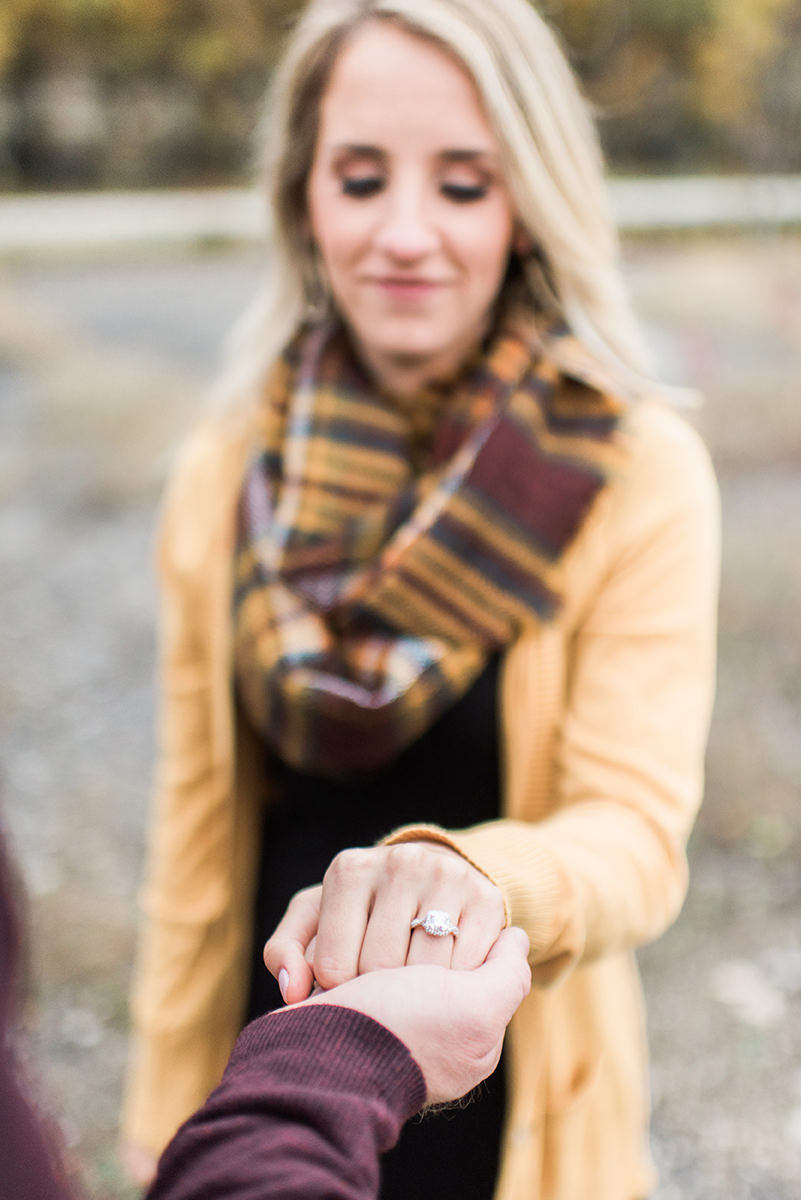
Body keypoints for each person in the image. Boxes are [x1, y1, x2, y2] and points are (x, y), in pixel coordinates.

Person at [121, 1, 720, 1197]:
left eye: (462, 185)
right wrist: (161, 1115)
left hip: (511, 1097)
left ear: (531, 200)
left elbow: (636, 834)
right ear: (302, 196)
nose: (404, 234)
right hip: (276, 1082)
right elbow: (196, 834)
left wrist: (471, 881)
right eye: (359, 178)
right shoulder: (224, 469)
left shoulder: (636, 469)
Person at [0, 817, 531, 1200]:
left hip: (446, 1006)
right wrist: (341, 1047)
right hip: (294, 978)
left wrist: (484, 882)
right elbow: (191, 831)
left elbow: (615, 822)